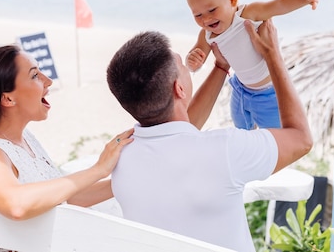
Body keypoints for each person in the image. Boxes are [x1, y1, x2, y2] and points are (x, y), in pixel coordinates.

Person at [107, 19, 312, 252]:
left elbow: (177, 132)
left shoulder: (120, 159)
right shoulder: (225, 149)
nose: (186, 68)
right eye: (182, 66)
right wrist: (272, 55)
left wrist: (221, 67)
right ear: (179, 88)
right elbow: (300, 138)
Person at [0, 44, 134, 223]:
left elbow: (63, 197)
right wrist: (97, 169)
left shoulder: (25, 140)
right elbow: (16, 205)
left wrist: (124, 183)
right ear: (8, 99)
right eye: (35, 76)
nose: (48, 81)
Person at [185, 0, 326, 129]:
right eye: (198, 15)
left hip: (269, 93)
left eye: (212, 10)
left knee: (276, 136)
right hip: (241, 90)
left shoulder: (248, 14)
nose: (206, 19)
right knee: (242, 130)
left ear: (232, 0)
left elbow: (278, 5)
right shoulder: (206, 34)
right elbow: (196, 56)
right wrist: (192, 61)